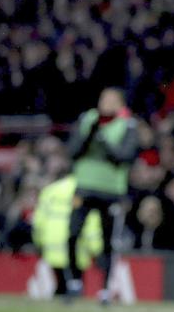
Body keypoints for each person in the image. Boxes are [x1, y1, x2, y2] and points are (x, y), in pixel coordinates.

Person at [64, 87, 139, 302]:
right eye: (104, 98)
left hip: (111, 191)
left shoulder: (128, 124)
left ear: (121, 104)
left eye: (112, 100)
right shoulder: (87, 120)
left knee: (108, 241)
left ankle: (105, 289)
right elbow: (72, 151)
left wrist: (103, 140)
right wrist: (91, 135)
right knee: (72, 233)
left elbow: (125, 156)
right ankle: (74, 282)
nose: (106, 103)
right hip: (84, 188)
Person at [31, 175, 103, 298]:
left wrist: (38, 241)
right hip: (77, 244)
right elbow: (92, 221)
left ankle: (62, 295)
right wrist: (96, 248)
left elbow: (39, 221)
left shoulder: (50, 191)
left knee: (61, 283)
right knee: (76, 283)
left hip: (53, 242)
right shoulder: (86, 191)